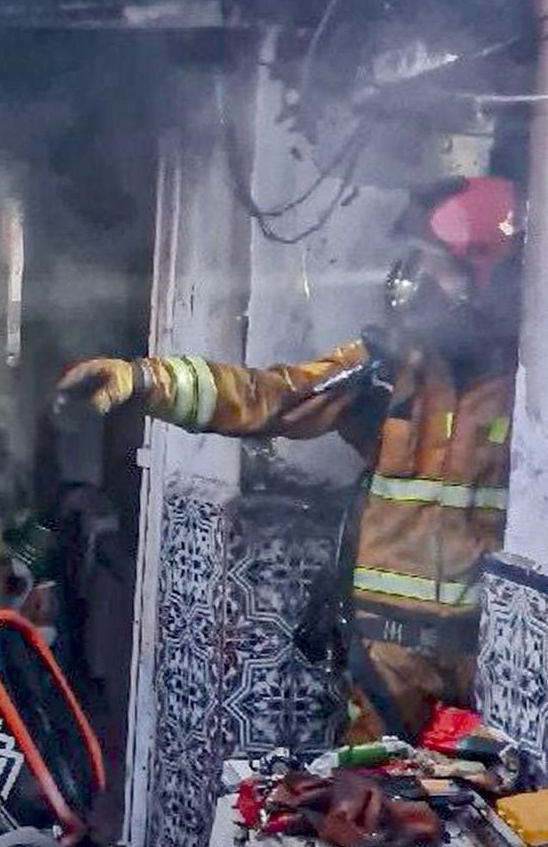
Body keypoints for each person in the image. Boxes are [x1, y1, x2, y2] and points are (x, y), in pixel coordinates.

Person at [57, 175, 521, 742]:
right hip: (386, 660)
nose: (419, 280)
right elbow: (273, 395)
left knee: (485, 794)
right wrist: (147, 380)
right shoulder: (388, 366)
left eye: (436, 265)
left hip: (487, 659)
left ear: (485, 272)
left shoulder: (527, 389)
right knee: (367, 789)